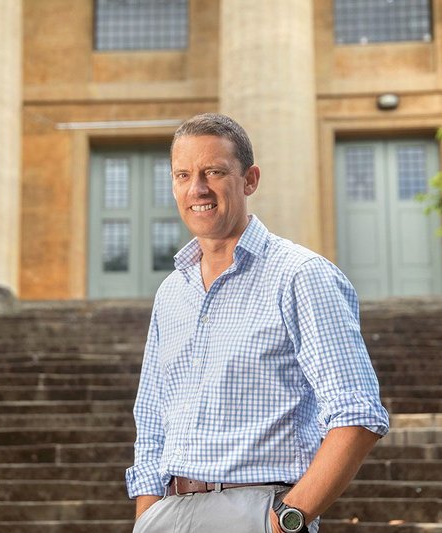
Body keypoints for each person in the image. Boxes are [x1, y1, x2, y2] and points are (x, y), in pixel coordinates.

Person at [125, 113, 389, 533]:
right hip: (168, 515)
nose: (198, 189)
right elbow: (153, 420)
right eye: (183, 175)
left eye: (214, 172)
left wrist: (287, 519)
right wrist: (148, 517)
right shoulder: (171, 293)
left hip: (257, 510)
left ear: (249, 180)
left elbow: (357, 414)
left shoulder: (300, 275)